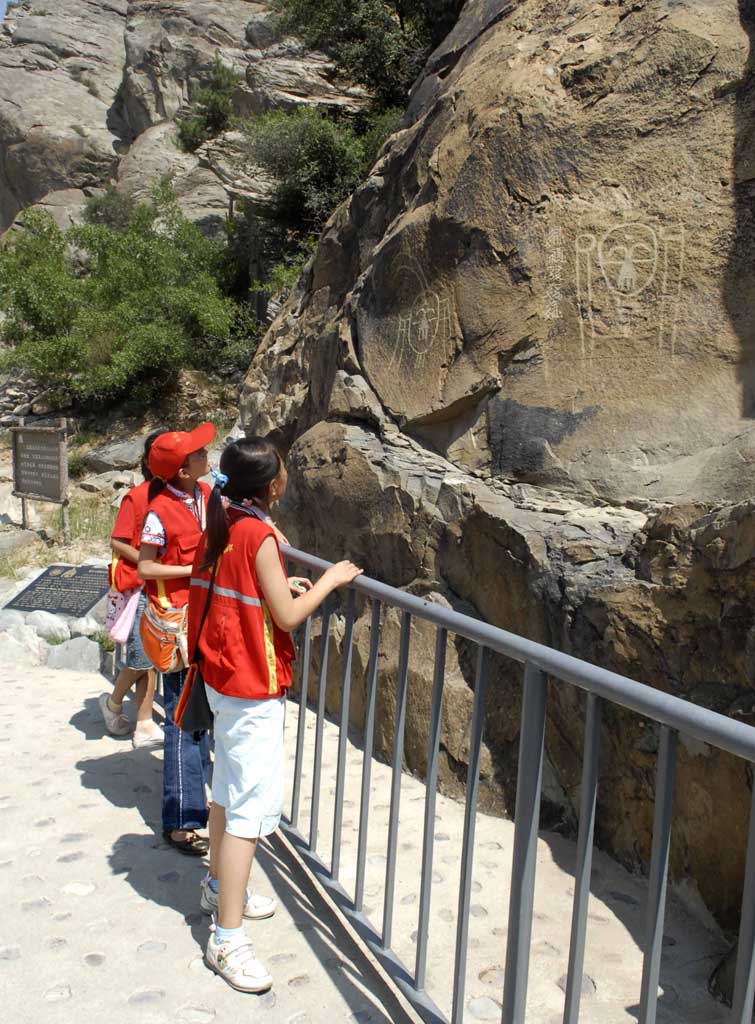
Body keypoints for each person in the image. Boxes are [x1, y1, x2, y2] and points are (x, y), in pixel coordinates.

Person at [188, 436, 362, 993]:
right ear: (270, 486)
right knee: (246, 812)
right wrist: (331, 580)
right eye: (282, 473)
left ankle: (219, 887)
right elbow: (286, 618)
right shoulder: (258, 532)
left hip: (219, 676)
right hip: (250, 687)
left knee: (224, 791)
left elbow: (237, 587)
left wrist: (274, 582)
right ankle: (227, 937)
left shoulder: (225, 518)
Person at [137, 423, 215, 856]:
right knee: (184, 721)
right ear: (184, 469)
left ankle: (204, 802)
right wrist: (192, 571)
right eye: (200, 453)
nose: (207, 454)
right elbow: (146, 568)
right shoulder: (158, 512)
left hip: (210, 620)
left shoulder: (206, 497)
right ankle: (181, 820)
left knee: (206, 717)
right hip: (181, 626)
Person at [98, 429, 165, 750]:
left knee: (152, 657)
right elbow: (117, 539)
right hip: (141, 587)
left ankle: (143, 722)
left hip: (167, 588)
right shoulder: (137, 497)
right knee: (141, 658)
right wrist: (149, 563)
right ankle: (113, 704)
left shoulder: (186, 495)